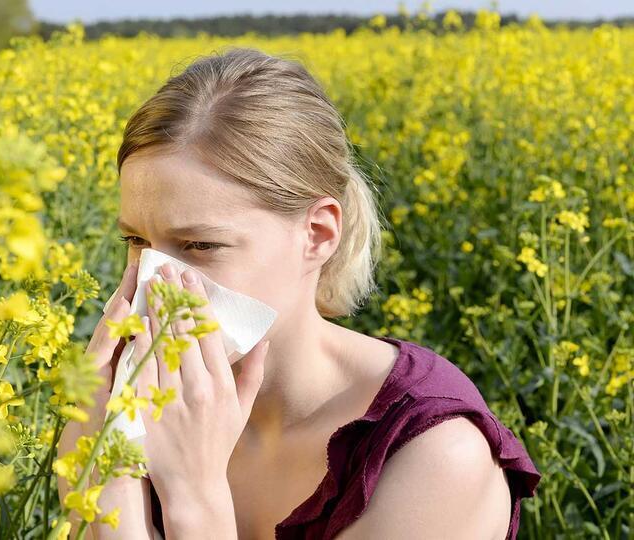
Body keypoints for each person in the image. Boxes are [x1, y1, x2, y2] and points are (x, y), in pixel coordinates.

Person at [58, 46, 541, 539]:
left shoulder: (432, 452)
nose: (155, 283)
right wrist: (107, 480)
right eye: (137, 241)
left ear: (318, 234)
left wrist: (194, 499)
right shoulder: (132, 404)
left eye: (200, 244)